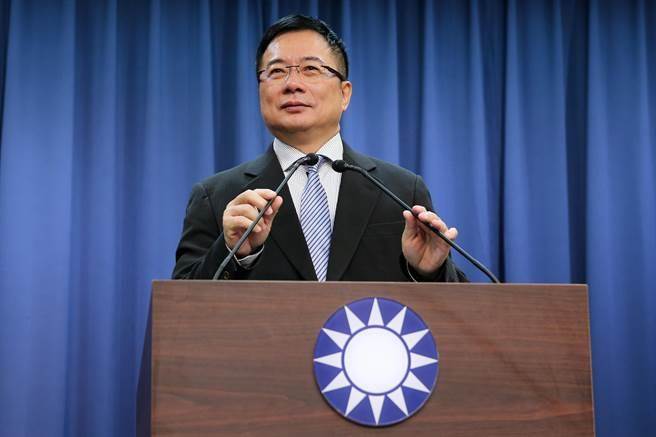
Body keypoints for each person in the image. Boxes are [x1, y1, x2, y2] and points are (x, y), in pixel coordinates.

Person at [172, 14, 467, 282]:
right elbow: (179, 306)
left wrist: (429, 271)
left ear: (344, 94)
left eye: (311, 69)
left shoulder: (401, 191)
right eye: (277, 71)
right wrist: (231, 252)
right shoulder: (216, 197)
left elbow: (455, 308)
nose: (293, 84)